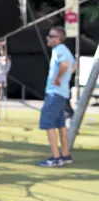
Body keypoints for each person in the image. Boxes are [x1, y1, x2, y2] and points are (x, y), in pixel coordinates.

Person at [37, 26, 76, 167]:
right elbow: (74, 65)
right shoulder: (65, 50)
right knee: (60, 123)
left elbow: (66, 64)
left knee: (48, 122)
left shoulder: (59, 50)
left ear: (58, 39)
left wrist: (59, 77)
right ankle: (65, 155)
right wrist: (65, 78)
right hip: (62, 93)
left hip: (55, 92)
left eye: (50, 36)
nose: (47, 38)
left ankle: (55, 157)